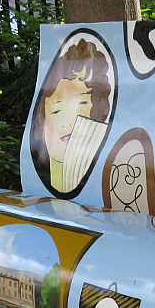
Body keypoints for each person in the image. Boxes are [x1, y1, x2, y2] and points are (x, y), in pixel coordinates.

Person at [31, 35, 111, 194]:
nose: (68, 122)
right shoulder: (39, 183)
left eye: (82, 104)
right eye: (56, 109)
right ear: (42, 117)